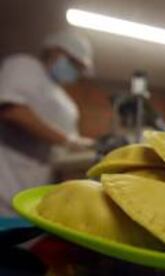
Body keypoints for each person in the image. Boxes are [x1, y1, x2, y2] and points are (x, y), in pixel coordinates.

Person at [0, 31, 95, 215]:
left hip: (32, 197)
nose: (75, 71)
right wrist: (69, 140)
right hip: (4, 186)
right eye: (72, 62)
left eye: (79, 68)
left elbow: (65, 153)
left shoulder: (69, 105)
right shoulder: (24, 66)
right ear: (54, 50)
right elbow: (12, 110)